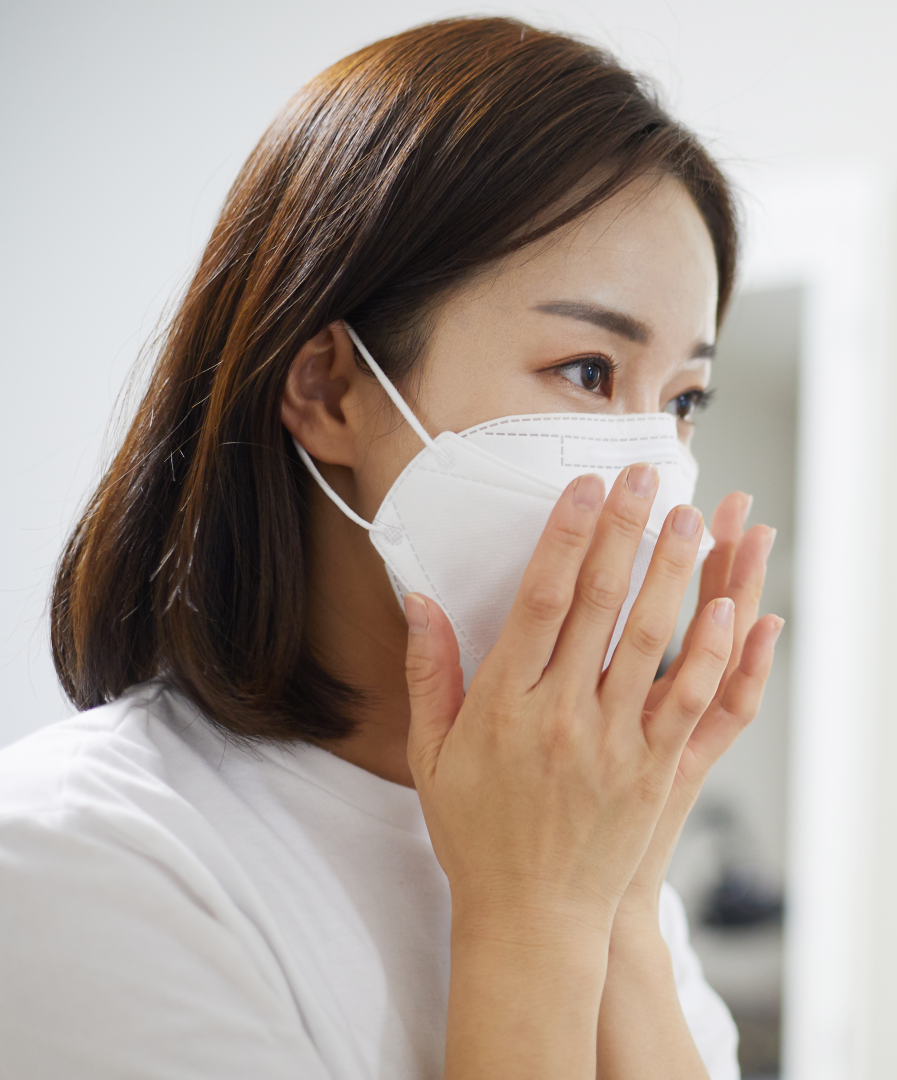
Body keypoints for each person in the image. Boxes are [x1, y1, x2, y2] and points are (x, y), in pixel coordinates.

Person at [0, 16, 782, 1080]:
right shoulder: (81, 857)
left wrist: (625, 906)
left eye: (684, 399)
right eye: (589, 372)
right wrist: (536, 921)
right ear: (332, 390)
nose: (651, 466)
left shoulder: (607, 872)